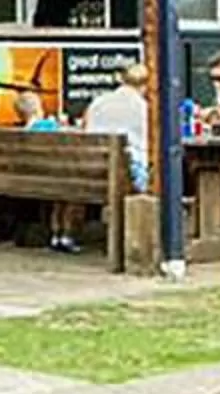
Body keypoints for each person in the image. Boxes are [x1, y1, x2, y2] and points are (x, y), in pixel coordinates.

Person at [12, 86, 89, 254]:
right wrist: (62, 123)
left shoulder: (25, 130)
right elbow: (66, 133)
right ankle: (66, 236)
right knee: (69, 195)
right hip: (56, 178)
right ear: (38, 108)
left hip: (39, 177)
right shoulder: (47, 125)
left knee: (57, 200)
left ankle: (55, 234)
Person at [80, 63, 154, 192]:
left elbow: (85, 130)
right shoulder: (144, 108)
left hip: (92, 174)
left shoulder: (97, 103)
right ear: (146, 86)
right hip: (126, 177)